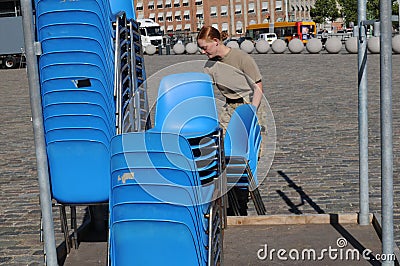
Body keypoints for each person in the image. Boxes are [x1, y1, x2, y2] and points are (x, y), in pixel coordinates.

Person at [197, 26, 264, 216]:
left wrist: (251, 112)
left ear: (216, 42)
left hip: (250, 106)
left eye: (205, 47)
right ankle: (230, 200)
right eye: (200, 48)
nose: (203, 52)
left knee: (246, 155)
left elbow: (258, 88)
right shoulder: (209, 66)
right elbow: (205, 92)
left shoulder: (241, 58)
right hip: (228, 109)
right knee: (224, 153)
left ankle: (243, 198)